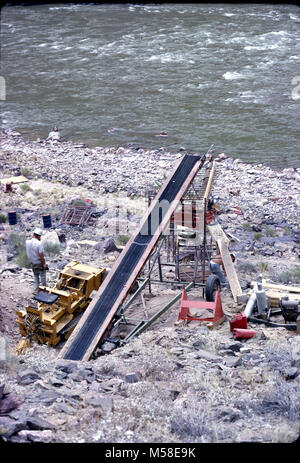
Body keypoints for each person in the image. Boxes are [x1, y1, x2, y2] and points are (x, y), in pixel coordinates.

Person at [25, 228, 48, 294]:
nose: (40, 237)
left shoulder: (27, 242)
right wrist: (44, 264)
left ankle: (36, 290)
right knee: (43, 276)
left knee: (35, 275)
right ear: (38, 236)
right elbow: (41, 255)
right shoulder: (39, 244)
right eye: (40, 236)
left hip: (32, 263)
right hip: (39, 263)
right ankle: (43, 290)